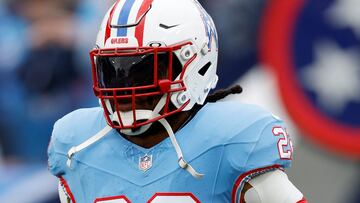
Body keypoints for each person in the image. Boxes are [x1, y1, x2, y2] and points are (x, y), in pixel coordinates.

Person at [48, 0, 307, 202]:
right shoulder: (76, 143)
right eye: (112, 70)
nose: (125, 86)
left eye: (142, 69)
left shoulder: (231, 138)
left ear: (195, 62)